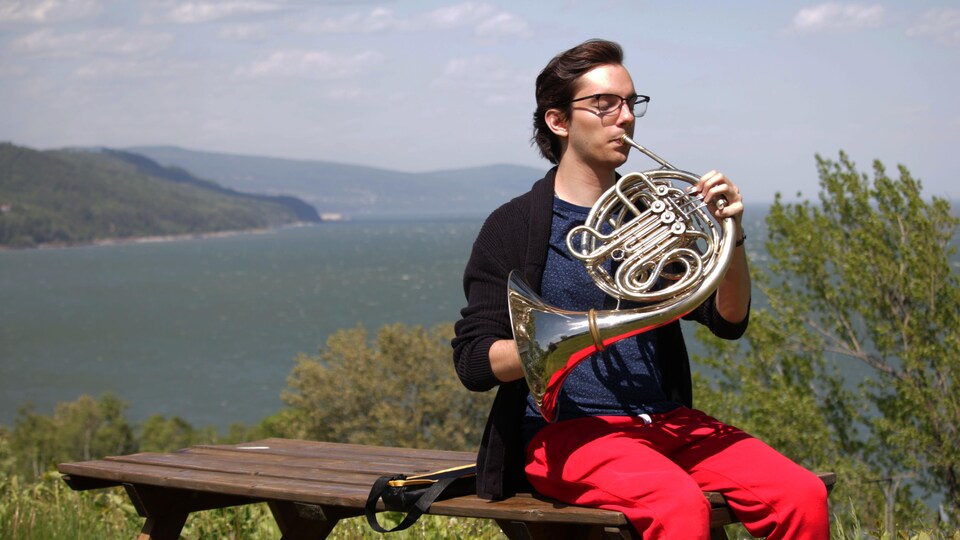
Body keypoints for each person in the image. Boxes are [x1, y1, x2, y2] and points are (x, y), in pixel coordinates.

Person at [451, 38, 829, 539]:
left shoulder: (653, 213)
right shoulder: (513, 227)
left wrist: (730, 236)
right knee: (678, 507)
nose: (624, 117)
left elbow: (728, 320)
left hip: (668, 423)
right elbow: (474, 362)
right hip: (568, 433)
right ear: (558, 121)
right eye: (604, 104)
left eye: (631, 103)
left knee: (801, 495)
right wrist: (555, 344)